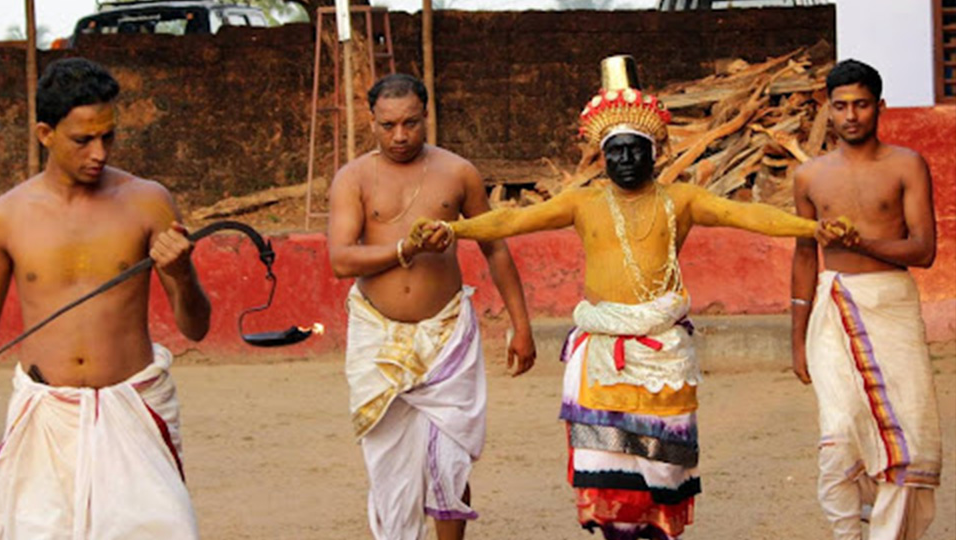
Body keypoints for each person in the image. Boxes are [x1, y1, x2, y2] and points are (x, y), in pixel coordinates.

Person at [411, 55, 850, 540]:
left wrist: (814, 228)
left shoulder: (681, 201)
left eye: (633, 151)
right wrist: (454, 229)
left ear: (654, 152)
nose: (624, 160)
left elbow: (748, 217)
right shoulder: (584, 202)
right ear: (600, 155)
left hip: (663, 356)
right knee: (610, 473)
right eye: (613, 151)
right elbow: (509, 222)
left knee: (664, 472)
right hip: (603, 355)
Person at [0, 58, 210, 538]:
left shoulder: (147, 201)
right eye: (83, 140)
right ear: (45, 133)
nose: (98, 152)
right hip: (44, 414)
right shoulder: (6, 217)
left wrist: (182, 275)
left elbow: (196, 327)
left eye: (108, 137)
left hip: (134, 407)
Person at [327, 73, 537, 540]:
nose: (400, 136)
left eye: (411, 123)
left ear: (427, 116)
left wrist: (522, 326)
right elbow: (341, 259)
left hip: (446, 334)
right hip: (377, 335)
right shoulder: (354, 178)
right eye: (388, 126)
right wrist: (406, 249)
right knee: (390, 466)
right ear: (372, 122)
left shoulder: (457, 173)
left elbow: (495, 247)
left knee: (450, 461)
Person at [791, 59, 942, 540]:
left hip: (891, 305)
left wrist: (862, 244)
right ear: (827, 111)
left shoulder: (906, 165)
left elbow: (923, 249)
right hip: (831, 308)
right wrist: (796, 340)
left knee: (908, 442)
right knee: (838, 440)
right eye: (841, 106)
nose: (851, 115)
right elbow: (804, 255)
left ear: (880, 107)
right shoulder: (808, 177)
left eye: (861, 104)